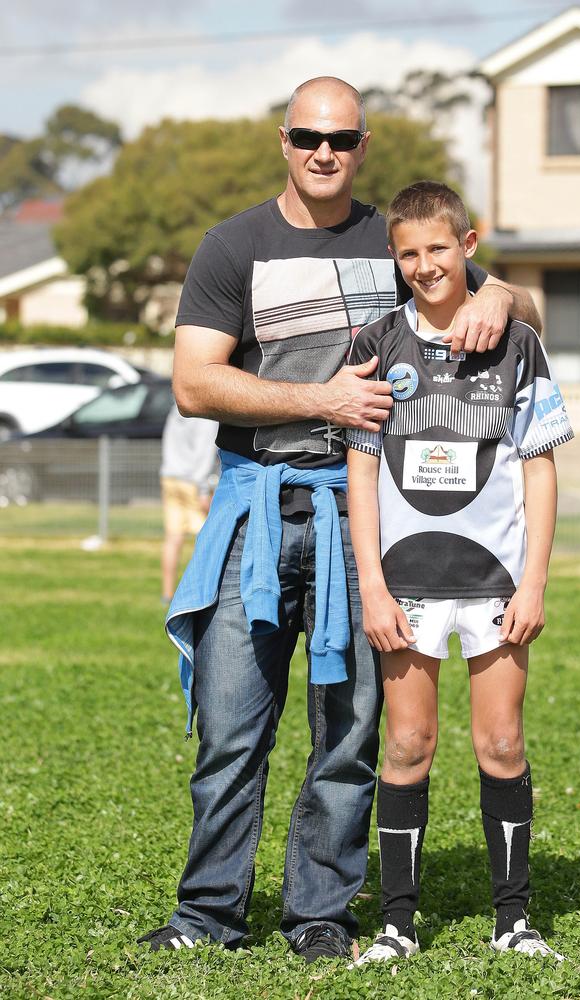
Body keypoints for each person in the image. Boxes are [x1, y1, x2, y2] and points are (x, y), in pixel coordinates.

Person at [137, 77, 542, 963]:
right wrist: (317, 397)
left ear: (364, 146)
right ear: (282, 140)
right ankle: (209, 915)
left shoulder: (390, 239)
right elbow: (196, 382)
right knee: (233, 726)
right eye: (308, 136)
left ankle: (321, 912)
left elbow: (496, 296)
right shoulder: (232, 245)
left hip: (369, 525)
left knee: (353, 732)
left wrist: (500, 295)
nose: (326, 151)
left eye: (344, 138)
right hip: (259, 507)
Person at [345, 181, 573, 967]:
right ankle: (396, 924)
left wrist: (535, 581)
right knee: (407, 743)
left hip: (497, 583)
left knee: (501, 741)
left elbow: (540, 472)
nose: (422, 265)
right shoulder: (376, 344)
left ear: (467, 247)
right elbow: (362, 474)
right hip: (404, 584)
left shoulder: (518, 342)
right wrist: (371, 585)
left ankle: (514, 919)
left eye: (437, 249)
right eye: (407, 253)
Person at [160, 403, 220, 604]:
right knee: (208, 539)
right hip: (193, 482)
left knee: (173, 537)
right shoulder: (205, 413)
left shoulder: (176, 407)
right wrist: (203, 490)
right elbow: (204, 452)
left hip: (170, 476)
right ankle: (200, 594)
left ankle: (167, 594)